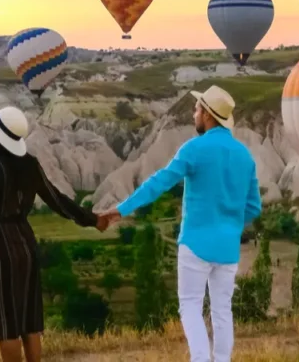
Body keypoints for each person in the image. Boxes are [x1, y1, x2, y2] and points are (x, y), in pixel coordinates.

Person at [99, 85, 261, 362]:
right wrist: (231, 223)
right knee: (223, 310)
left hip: (195, 243)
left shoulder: (194, 148)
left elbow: (159, 182)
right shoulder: (244, 154)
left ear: (208, 115)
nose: (193, 112)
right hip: (228, 247)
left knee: (190, 306)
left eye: (197, 108)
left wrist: (122, 209)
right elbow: (253, 207)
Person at [0, 106, 103, 362]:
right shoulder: (30, 164)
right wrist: (91, 219)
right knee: (29, 321)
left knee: (7, 325)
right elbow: (57, 200)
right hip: (26, 245)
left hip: (1, 250)